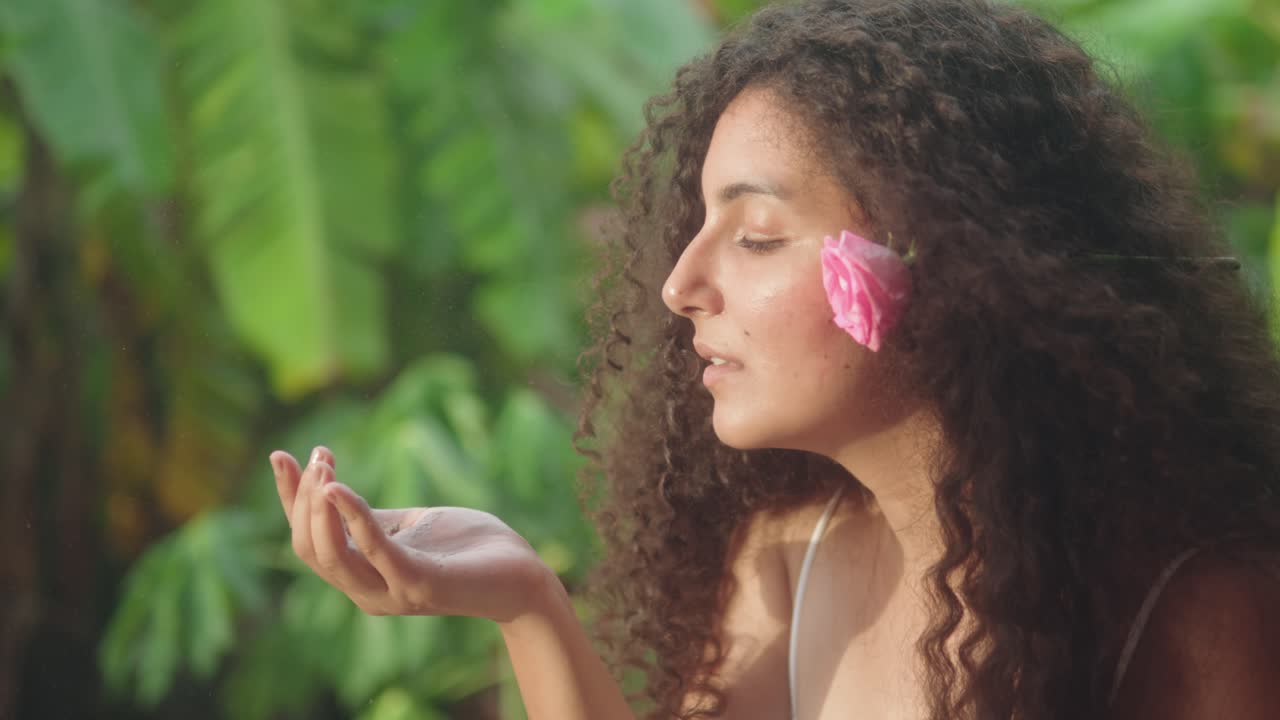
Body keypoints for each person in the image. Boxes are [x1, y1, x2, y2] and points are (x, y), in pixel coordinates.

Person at [267, 0, 1280, 717]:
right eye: (697, 224)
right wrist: (526, 604)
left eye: (753, 236)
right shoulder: (782, 564)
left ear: (953, 264)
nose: (678, 285)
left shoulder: (1196, 611)